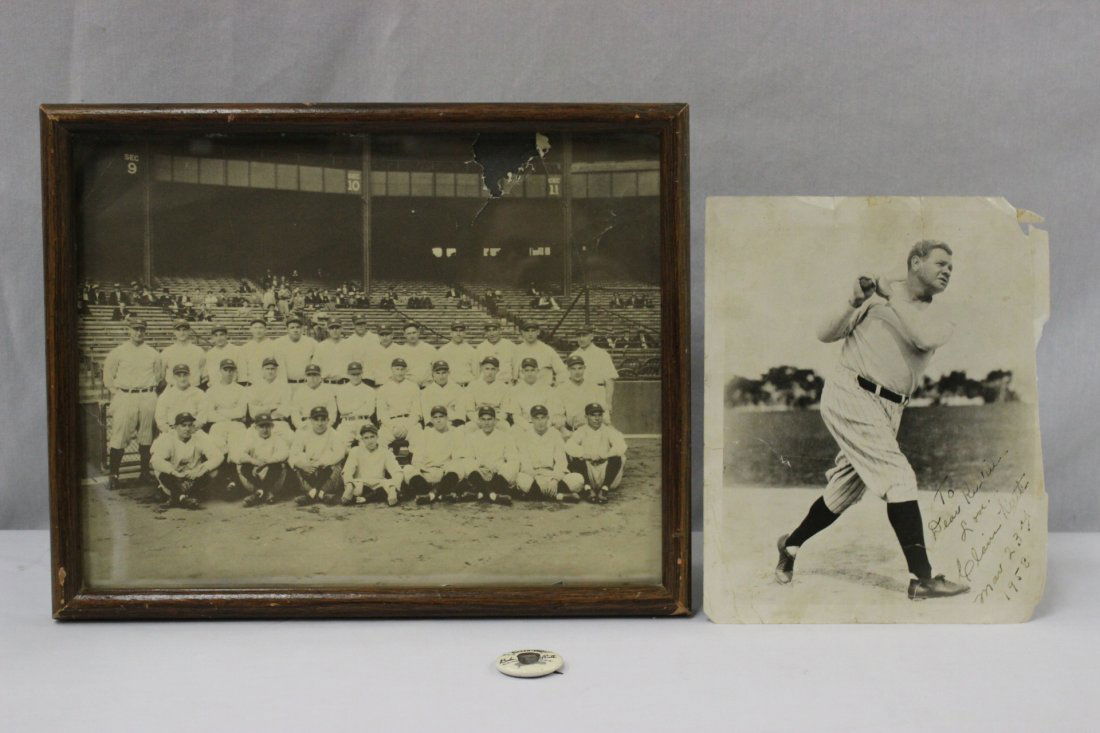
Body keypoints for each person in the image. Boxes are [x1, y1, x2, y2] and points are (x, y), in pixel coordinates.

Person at [773, 240, 969, 600]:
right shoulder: (875, 302)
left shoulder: (942, 314)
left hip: (891, 409)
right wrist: (854, 300)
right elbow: (824, 333)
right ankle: (922, 579)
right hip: (851, 392)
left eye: (951, 268)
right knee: (898, 478)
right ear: (915, 262)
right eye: (941, 264)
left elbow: (922, 338)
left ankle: (790, 545)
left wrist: (890, 293)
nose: (947, 272)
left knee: (844, 491)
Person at [102, 319, 163, 488]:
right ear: (129, 330)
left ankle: (144, 473)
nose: (138, 332)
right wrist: (117, 392)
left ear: (145, 331)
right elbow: (108, 376)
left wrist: (149, 390)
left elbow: (159, 376)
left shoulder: (153, 353)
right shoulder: (118, 352)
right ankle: (114, 475)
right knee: (119, 435)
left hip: (147, 395)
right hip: (126, 395)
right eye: (135, 329)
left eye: (142, 329)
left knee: (147, 435)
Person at [149, 411, 224, 510]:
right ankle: (185, 498)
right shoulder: (168, 439)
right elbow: (155, 460)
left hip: (193, 476)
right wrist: (174, 472)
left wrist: (200, 470)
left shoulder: (199, 438)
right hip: (175, 478)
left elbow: (218, 456)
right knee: (160, 472)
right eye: (183, 425)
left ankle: (178, 497)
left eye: (190, 425)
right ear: (175, 427)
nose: (187, 429)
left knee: (213, 472)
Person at [514, 405, 584, 503]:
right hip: (534, 476)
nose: (540, 422)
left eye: (543, 418)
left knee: (578, 479)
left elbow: (561, 462)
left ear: (547, 418)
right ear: (532, 420)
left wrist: (554, 480)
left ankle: (536, 495)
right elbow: (526, 464)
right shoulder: (525, 436)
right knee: (521, 479)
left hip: (551, 474)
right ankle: (559, 496)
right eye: (537, 418)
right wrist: (537, 478)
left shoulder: (555, 434)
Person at [565, 403, 627, 504]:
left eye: (599, 415)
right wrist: (585, 454)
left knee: (617, 457)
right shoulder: (581, 431)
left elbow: (621, 446)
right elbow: (569, 446)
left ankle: (605, 489)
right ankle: (588, 488)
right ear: (586, 417)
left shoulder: (608, 430)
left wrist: (605, 455)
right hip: (588, 471)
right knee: (575, 457)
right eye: (593, 415)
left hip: (605, 472)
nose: (597, 418)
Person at [407, 406, 468, 505]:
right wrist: (422, 469)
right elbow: (417, 458)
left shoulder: (454, 433)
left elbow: (457, 458)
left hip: (444, 474)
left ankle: (431, 494)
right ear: (431, 420)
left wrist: (446, 468)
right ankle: (438, 492)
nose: (438, 420)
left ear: (447, 418)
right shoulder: (425, 434)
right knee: (408, 469)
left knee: (458, 467)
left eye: (441, 417)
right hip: (427, 473)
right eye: (435, 417)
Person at [230, 412, 291, 507]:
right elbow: (238, 454)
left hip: (271, 474)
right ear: (256, 427)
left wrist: (267, 462)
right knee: (244, 466)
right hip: (256, 473)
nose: (265, 429)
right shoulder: (250, 439)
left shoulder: (277, 439)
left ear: (272, 427)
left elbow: (284, 453)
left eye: (267, 426)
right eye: (262, 426)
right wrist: (252, 461)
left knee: (277, 465)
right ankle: (266, 492)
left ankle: (258, 494)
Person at [289, 405, 346, 506]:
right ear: (311, 420)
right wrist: (303, 465)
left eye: (323, 419)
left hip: (327, 471)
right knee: (299, 462)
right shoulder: (303, 433)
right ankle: (322, 494)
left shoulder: (334, 433)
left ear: (328, 420)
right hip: (310, 471)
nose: (320, 423)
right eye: (316, 419)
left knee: (336, 464)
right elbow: (293, 454)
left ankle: (311, 495)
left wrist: (325, 462)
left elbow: (341, 453)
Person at [462, 406, 517, 506]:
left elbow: (512, 458)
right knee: (468, 466)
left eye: (489, 419)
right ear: (479, 421)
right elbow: (468, 458)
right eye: (483, 419)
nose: (486, 423)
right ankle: (492, 494)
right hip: (480, 472)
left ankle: (481, 493)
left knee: (511, 468)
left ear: (495, 421)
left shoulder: (505, 437)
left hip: (497, 473)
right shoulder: (472, 437)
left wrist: (496, 468)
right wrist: (480, 467)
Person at [341, 423, 404, 506]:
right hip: (361, 483)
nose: (370, 441)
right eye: (366, 438)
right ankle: (356, 494)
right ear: (362, 439)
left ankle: (390, 493)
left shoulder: (385, 452)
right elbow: (347, 470)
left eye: (372, 437)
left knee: (389, 485)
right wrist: (349, 485)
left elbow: (397, 471)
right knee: (353, 487)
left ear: (377, 437)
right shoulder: (355, 451)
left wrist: (393, 487)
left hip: (379, 484)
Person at [508, 358, 564, 431]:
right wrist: (530, 429)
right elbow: (516, 416)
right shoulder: (514, 390)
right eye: (527, 370)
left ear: (537, 371)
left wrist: (544, 426)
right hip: (524, 426)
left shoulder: (548, 389)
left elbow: (552, 412)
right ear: (522, 372)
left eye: (532, 370)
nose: (530, 374)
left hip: (545, 425)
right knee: (513, 431)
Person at [570, 324, 619, 408]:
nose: (581, 339)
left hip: (597, 393)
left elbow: (609, 379)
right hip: (578, 393)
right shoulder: (573, 355)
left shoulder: (602, 354)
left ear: (591, 336)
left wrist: (608, 402)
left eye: (584, 335)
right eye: (579, 336)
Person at [246, 356, 294, 440]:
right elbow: (253, 413)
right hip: (259, 424)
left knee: (290, 438)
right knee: (248, 438)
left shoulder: (285, 387)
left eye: (272, 369)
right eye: (267, 369)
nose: (270, 371)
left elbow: (286, 410)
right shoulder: (254, 387)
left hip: (279, 422)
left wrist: (263, 407)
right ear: (262, 370)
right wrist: (274, 407)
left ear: (276, 370)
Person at [376, 357, 421, 443]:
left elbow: (416, 412)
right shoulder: (383, 388)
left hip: (409, 422)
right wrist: (393, 427)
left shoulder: (413, 387)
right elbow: (382, 413)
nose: (400, 372)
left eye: (402, 369)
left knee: (419, 437)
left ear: (406, 370)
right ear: (392, 370)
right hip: (390, 423)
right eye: (397, 369)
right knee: (380, 439)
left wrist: (406, 427)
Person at [154, 364, 205, 435]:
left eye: (185, 375)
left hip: (193, 430)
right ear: (174, 377)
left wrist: (192, 429)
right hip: (171, 431)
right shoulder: (166, 395)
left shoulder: (199, 393)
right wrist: (171, 431)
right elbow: (160, 419)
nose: (182, 379)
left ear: (189, 375)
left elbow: (202, 416)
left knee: (207, 441)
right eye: (179, 376)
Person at [336, 361, 377, 445]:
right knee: (340, 445)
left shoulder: (369, 390)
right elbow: (342, 410)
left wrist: (351, 408)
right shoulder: (341, 390)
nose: (355, 377)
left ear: (362, 373)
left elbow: (370, 411)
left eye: (358, 374)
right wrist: (361, 404)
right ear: (348, 374)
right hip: (347, 422)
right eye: (353, 374)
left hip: (364, 421)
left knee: (368, 446)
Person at [419, 360, 470, 427]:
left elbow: (460, 415)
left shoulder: (458, 390)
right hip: (434, 426)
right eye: (438, 373)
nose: (441, 376)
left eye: (444, 373)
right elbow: (427, 417)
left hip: (453, 424)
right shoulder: (426, 392)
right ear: (433, 374)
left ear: (448, 373)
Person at [273, 315, 316, 393]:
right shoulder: (278, 343)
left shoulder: (311, 342)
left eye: (298, 327)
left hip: (306, 385)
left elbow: (317, 362)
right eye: (292, 327)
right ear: (287, 329)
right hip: (286, 385)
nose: (295, 330)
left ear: (302, 328)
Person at [159, 320, 206, 390]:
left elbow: (203, 374)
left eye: (184, 330)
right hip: (173, 390)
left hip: (193, 389)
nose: (182, 333)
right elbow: (162, 376)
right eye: (178, 330)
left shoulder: (199, 351)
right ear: (174, 332)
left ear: (189, 331)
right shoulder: (167, 351)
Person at [291, 364, 338, 430]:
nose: (312, 378)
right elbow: (294, 413)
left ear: (320, 376)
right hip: (305, 424)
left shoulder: (327, 391)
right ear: (305, 377)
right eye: (309, 375)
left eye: (315, 375)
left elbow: (332, 412)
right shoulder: (299, 391)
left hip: (323, 424)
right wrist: (301, 426)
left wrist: (325, 426)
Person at [466, 356, 511, 424]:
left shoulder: (504, 387)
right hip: (478, 418)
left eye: (493, 369)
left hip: (497, 419)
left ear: (497, 370)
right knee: (468, 428)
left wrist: (495, 421)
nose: (490, 372)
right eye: (487, 369)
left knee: (506, 427)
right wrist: (478, 421)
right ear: (482, 369)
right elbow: (469, 410)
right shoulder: (472, 385)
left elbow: (505, 412)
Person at [237, 317, 280, 386]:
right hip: (252, 384)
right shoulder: (245, 347)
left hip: (270, 384)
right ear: (251, 330)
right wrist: (244, 385)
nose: (258, 330)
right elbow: (242, 369)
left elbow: (280, 367)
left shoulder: (274, 345)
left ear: (265, 330)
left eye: (261, 328)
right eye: (255, 328)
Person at [436, 322, 476, 387]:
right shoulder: (442, 351)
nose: (458, 334)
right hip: (450, 387)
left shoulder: (472, 351)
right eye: (455, 331)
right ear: (451, 333)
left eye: (461, 331)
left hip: (467, 387)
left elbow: (476, 373)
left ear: (464, 333)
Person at [202, 325, 239, 389]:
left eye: (221, 335)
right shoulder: (209, 354)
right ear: (212, 338)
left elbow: (242, 374)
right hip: (214, 389)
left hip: (232, 389)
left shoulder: (236, 350)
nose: (219, 338)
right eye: (216, 335)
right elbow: (206, 375)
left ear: (226, 335)